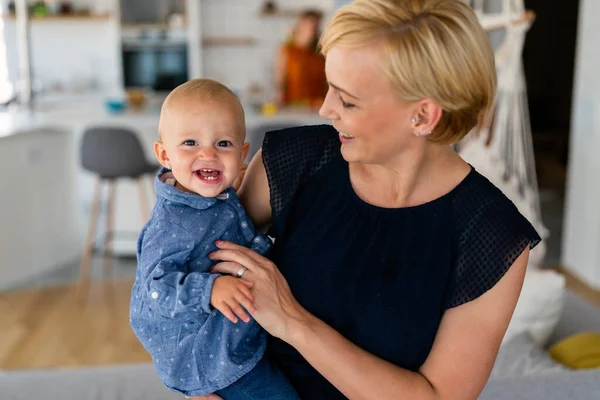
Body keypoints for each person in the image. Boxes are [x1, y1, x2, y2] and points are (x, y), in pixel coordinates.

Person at [208, 0, 542, 399]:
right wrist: (195, 386)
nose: (325, 108)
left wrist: (292, 321)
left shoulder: (493, 237)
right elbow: (184, 265)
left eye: (347, 100)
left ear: (422, 117)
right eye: (330, 87)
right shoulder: (291, 164)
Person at [129, 79, 299, 400]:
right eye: (190, 143)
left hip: (235, 334)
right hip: (208, 359)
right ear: (164, 154)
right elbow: (153, 289)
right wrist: (210, 289)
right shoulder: (171, 223)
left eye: (223, 144)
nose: (208, 154)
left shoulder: (215, 195)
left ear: (242, 153)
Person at [274, 9, 328, 107]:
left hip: (319, 106)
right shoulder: (287, 50)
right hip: (294, 107)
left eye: (316, 26)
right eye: (309, 25)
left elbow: (327, 83)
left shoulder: (322, 53)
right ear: (300, 25)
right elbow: (280, 83)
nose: (312, 29)